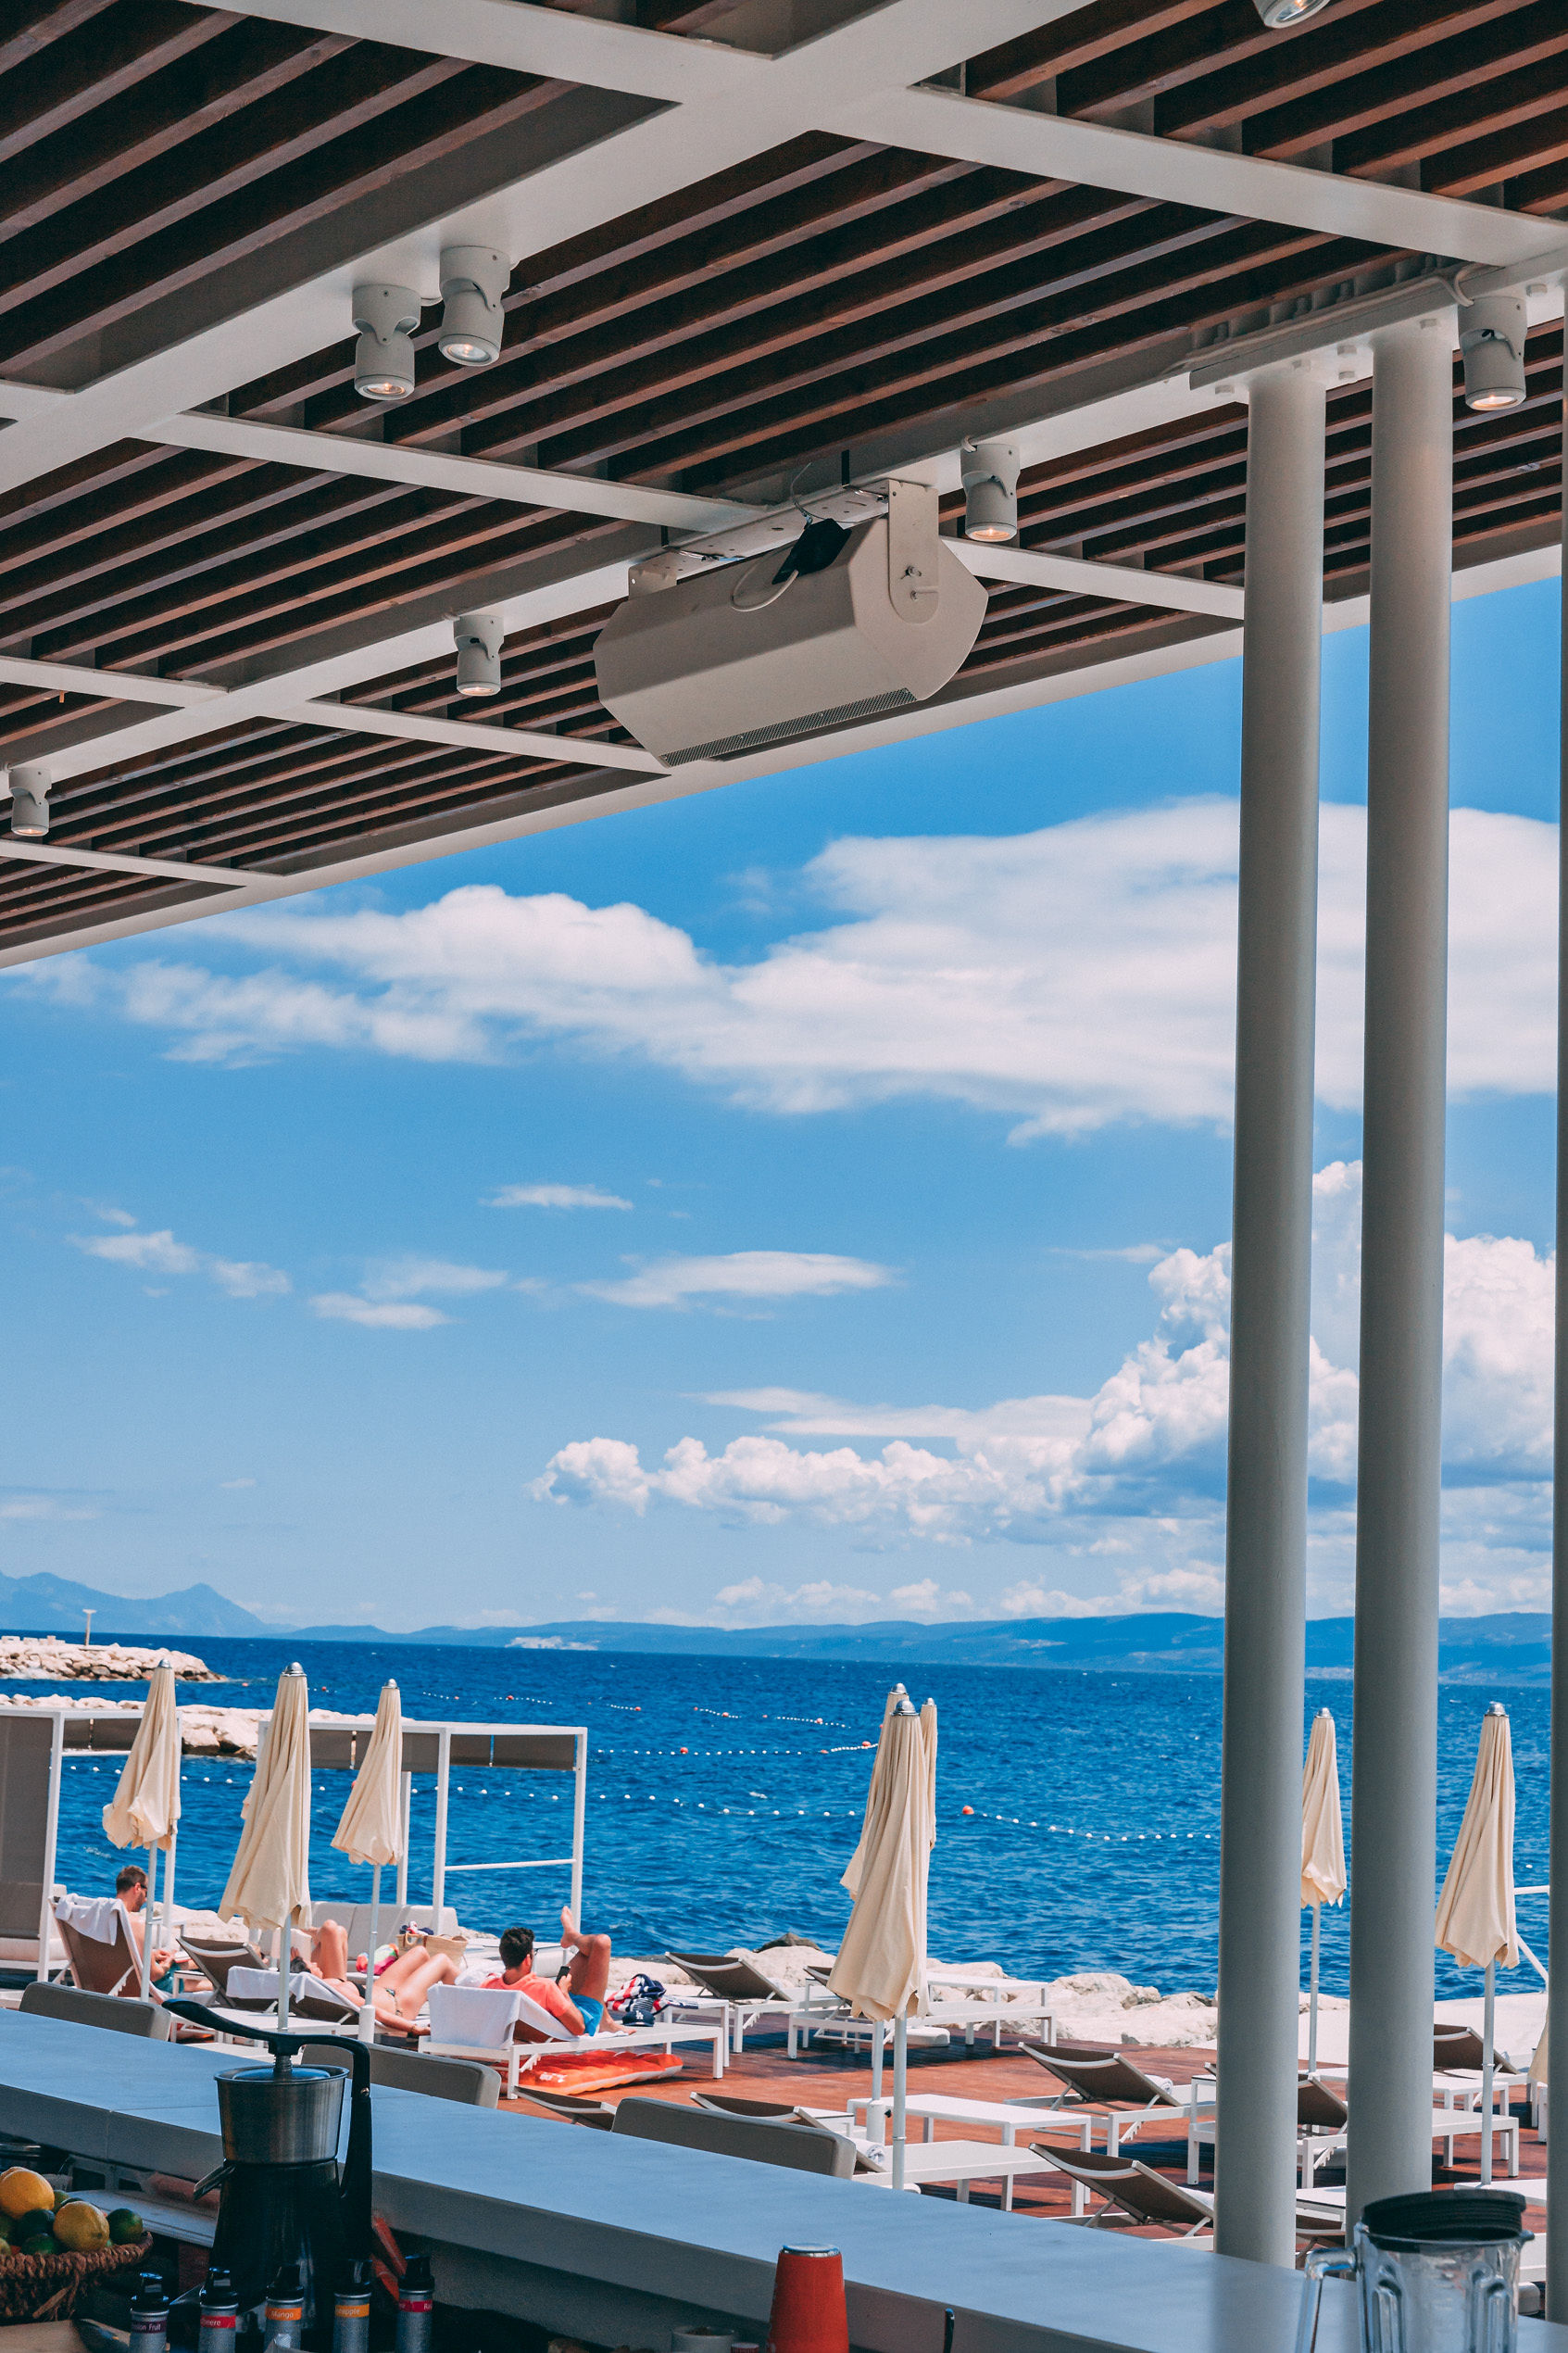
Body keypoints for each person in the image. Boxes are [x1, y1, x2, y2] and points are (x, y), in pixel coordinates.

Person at [483, 1906, 610, 2039]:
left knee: (592, 1950)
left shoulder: (489, 1986)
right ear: (527, 1959)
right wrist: (563, 1992)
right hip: (578, 2019)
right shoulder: (545, 1988)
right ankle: (572, 1935)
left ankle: (607, 2021)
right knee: (601, 1943)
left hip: (556, 2011)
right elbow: (579, 2028)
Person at [116, 1864, 177, 1989]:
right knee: (183, 1968)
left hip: (101, 1987)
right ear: (137, 1887)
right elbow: (154, 1975)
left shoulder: (98, 1918)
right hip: (129, 1990)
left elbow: (114, 1955)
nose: (145, 1899)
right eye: (146, 1892)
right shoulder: (135, 1923)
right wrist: (168, 1962)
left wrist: (152, 1954)